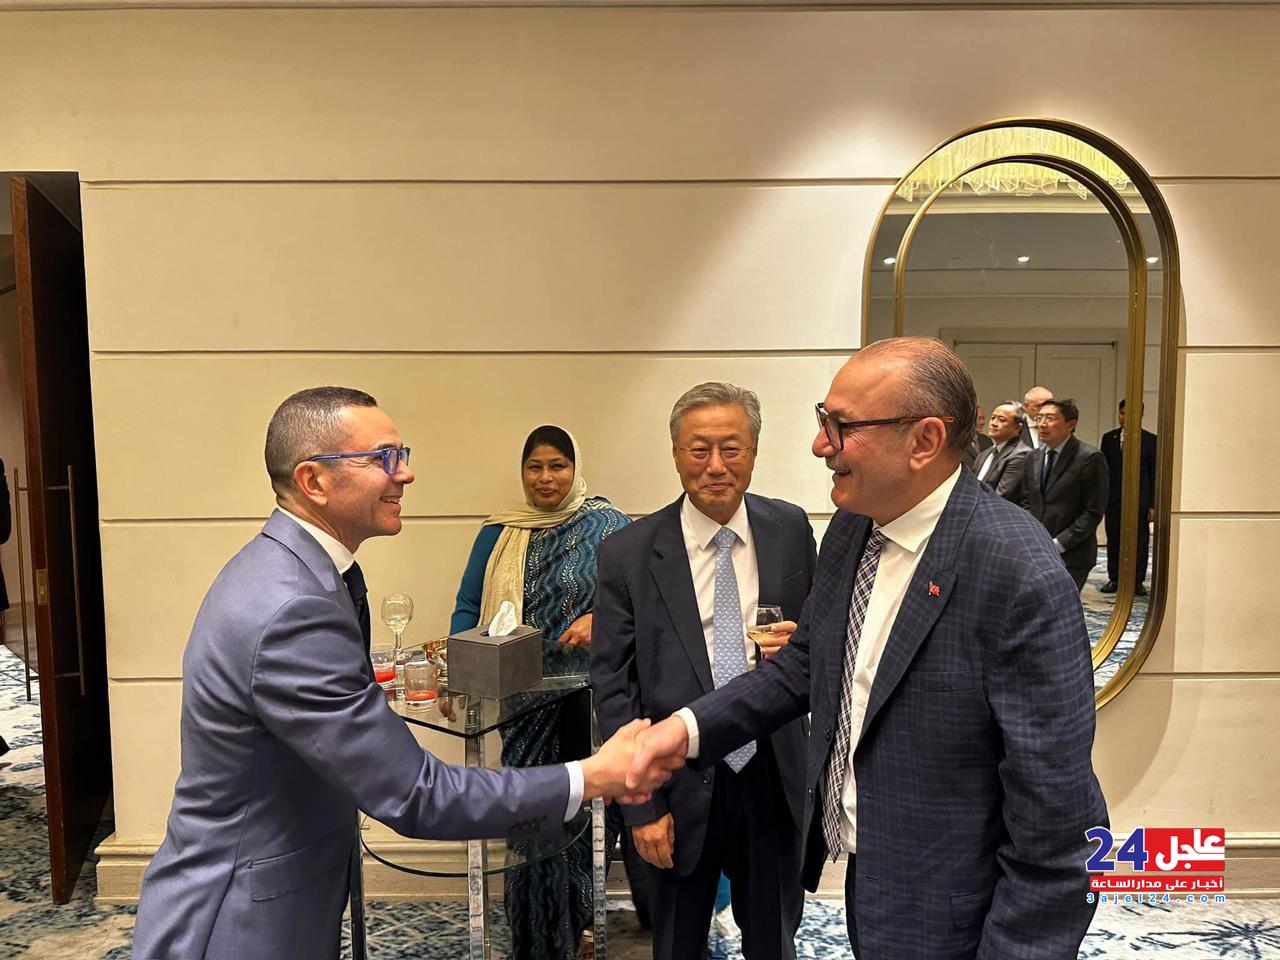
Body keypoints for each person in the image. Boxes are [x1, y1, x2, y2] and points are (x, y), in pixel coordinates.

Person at [132, 388, 667, 960]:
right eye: (383, 458)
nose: (405, 474)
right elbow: (416, 794)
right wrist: (592, 775)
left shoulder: (295, 572)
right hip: (240, 919)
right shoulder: (292, 606)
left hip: (277, 896)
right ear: (314, 481)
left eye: (402, 454)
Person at [623, 338, 1106, 960]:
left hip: (960, 917)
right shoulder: (854, 527)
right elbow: (807, 663)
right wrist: (684, 731)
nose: (819, 445)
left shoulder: (1017, 570)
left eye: (840, 426)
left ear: (924, 440)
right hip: (870, 885)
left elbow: (1060, 830)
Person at [591, 383, 814, 960]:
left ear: (755, 450)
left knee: (774, 942)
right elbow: (614, 688)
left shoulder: (791, 530)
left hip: (772, 774)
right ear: (675, 453)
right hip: (678, 780)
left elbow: (817, 646)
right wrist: (641, 805)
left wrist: (801, 646)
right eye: (699, 449)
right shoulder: (628, 552)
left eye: (731, 449)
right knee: (677, 944)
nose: (716, 466)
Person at [451, 424, 632, 960]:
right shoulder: (499, 532)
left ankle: (579, 924)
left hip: (588, 699)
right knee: (529, 813)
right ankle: (534, 936)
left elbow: (641, 598)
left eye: (558, 466)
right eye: (535, 467)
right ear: (522, 472)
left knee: (585, 810)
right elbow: (468, 606)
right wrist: (458, 672)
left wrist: (602, 618)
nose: (546, 477)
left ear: (575, 469)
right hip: (520, 698)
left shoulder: (610, 527)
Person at [1018, 397, 1110, 591]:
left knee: (1061, 605)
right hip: (1036, 549)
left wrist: (1059, 543)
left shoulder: (1089, 458)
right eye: (1039, 418)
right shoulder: (1033, 457)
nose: (1042, 424)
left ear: (1071, 424)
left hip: (1072, 554)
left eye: (1050, 418)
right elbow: (1027, 500)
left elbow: (1092, 511)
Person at [1099, 399, 1157, 595]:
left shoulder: (1151, 440)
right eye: (1122, 413)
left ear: (1141, 415)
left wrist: (1153, 504)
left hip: (1140, 500)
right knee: (1114, 538)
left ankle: (1137, 580)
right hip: (1114, 499)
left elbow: (1154, 474)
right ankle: (1114, 578)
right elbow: (1103, 471)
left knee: (1139, 541)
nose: (1126, 418)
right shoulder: (1109, 439)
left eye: (1131, 414)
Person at [972, 401, 1030, 501]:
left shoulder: (1020, 454)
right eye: (993, 418)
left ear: (1017, 427)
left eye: (1002, 420)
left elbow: (1001, 496)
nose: (994, 423)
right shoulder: (984, 454)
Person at [960, 404, 993, 471]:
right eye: (979, 419)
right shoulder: (958, 441)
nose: (982, 422)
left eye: (983, 419)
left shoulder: (987, 441)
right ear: (969, 420)